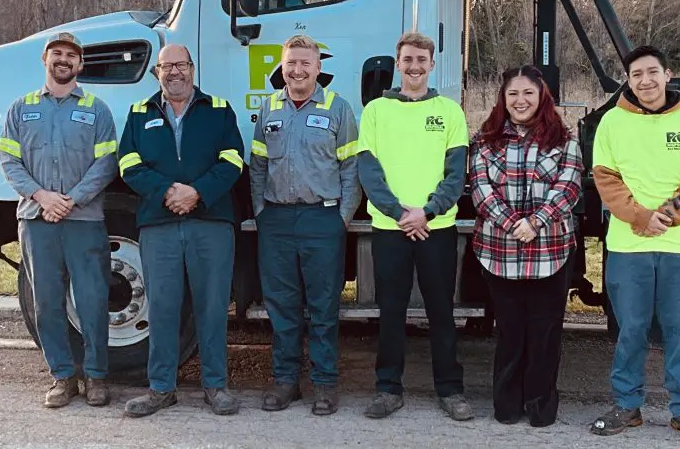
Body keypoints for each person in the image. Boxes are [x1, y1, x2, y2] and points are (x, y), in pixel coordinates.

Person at [590, 45, 680, 446]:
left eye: (651, 72)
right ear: (628, 81)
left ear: (667, 74)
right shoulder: (612, 122)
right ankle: (627, 405)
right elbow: (606, 179)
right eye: (635, 75)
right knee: (631, 330)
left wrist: (667, 216)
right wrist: (641, 217)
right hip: (629, 248)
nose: (644, 81)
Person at [118, 44, 245, 417]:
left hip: (211, 221)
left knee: (212, 307)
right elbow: (128, 163)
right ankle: (161, 389)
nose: (174, 72)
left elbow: (233, 158)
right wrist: (167, 192)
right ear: (156, 73)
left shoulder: (218, 110)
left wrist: (198, 193)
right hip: (159, 223)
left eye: (180, 65)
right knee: (162, 308)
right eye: (166, 66)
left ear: (192, 69)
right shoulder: (139, 113)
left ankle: (215, 386)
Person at [0, 31, 118, 409]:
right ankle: (63, 377)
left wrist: (71, 199)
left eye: (71, 55)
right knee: (47, 303)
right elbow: (9, 162)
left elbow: (106, 163)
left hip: (84, 220)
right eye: (57, 54)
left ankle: (97, 378)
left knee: (93, 300)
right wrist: (41, 196)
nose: (63, 60)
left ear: (80, 64)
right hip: (37, 220)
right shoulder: (21, 109)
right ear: (45, 60)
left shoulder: (97, 110)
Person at [357, 31, 473, 422]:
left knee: (442, 311)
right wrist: (398, 213)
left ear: (432, 65)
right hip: (390, 229)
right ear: (398, 63)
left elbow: (456, 174)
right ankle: (388, 389)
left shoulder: (450, 111)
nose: (414, 67)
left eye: (421, 60)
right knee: (390, 310)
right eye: (407, 59)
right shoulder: (375, 111)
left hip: (436, 227)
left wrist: (427, 212)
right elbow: (369, 171)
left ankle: (450, 390)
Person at [250, 35, 361, 416]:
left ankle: (325, 384)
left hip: (322, 218)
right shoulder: (269, 109)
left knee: (323, 305)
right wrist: (262, 212)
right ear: (281, 67)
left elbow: (350, 167)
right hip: (277, 220)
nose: (297, 70)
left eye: (305, 63)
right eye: (291, 63)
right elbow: (258, 166)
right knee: (282, 305)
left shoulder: (338, 108)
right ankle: (285, 382)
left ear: (317, 67)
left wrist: (342, 217)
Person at [470, 65, 583, 427]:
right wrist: (511, 224)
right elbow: (480, 189)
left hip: (551, 251)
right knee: (510, 332)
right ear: (503, 99)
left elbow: (568, 188)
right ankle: (506, 404)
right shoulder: (486, 140)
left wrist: (535, 222)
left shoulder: (564, 140)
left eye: (528, 93)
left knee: (545, 333)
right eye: (513, 94)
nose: (520, 101)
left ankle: (540, 406)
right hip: (498, 253)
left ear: (541, 97)